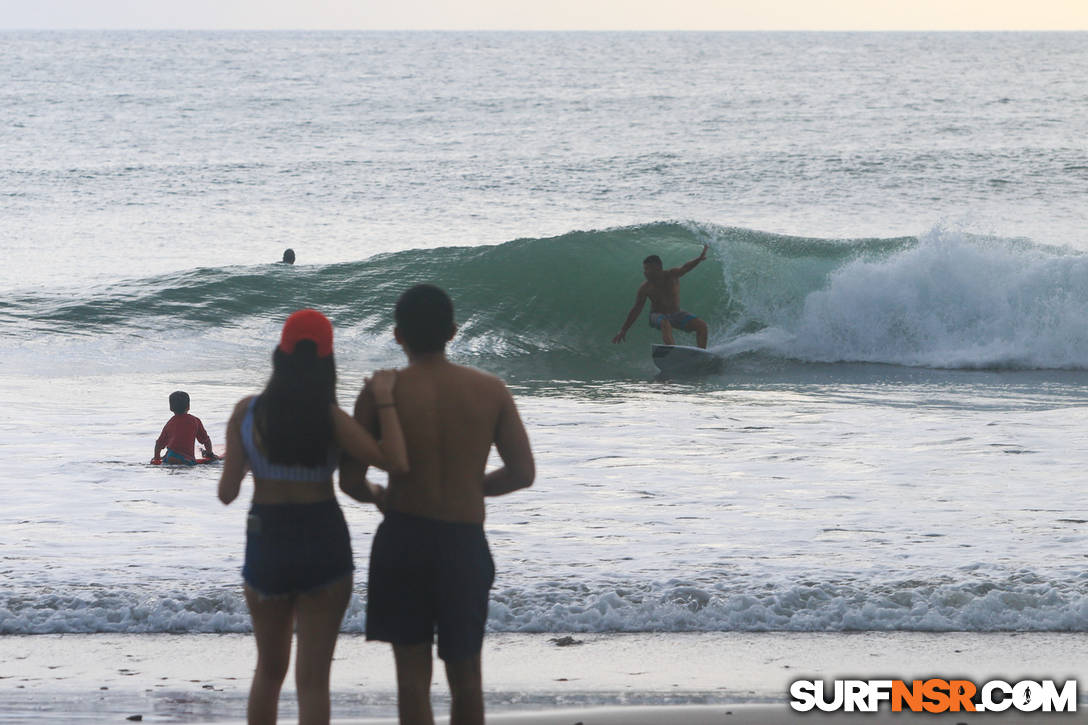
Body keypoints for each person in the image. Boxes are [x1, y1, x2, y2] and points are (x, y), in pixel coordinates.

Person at [340, 284, 535, 725]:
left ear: (396, 335)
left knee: (411, 679)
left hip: (403, 540)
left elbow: (350, 480)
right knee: (466, 677)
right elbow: (522, 473)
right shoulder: (491, 390)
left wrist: (380, 496)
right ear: (453, 331)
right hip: (463, 544)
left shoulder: (380, 392)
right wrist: (468, 487)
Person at [217, 308, 409, 725]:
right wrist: (386, 400)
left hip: (268, 540)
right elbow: (392, 459)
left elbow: (227, 494)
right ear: (327, 360)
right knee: (313, 680)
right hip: (323, 538)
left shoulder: (247, 413)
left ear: (280, 354)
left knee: (269, 671)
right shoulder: (331, 417)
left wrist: (252, 455)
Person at [611, 244, 711, 349]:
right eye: (644, 269)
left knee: (702, 326)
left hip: (676, 314)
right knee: (665, 322)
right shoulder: (645, 288)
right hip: (657, 316)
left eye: (647, 269)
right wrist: (624, 330)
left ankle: (701, 354)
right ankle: (673, 351)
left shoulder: (671, 275)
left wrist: (699, 259)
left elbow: (685, 267)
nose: (644, 272)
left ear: (657, 268)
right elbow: (636, 309)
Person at [152, 390, 216, 465]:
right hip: (186, 459)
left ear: (171, 408)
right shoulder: (195, 421)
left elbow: (159, 443)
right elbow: (206, 440)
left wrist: (156, 458)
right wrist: (210, 454)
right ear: (188, 406)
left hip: (170, 456)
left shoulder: (170, 423)